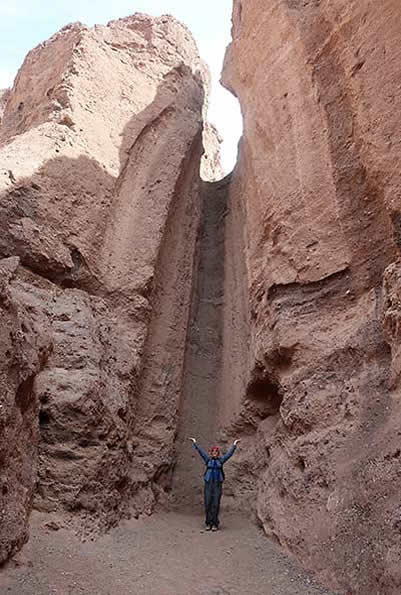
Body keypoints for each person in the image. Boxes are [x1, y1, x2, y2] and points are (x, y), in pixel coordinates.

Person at [189, 437, 240, 531]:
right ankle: (208, 523)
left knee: (216, 504)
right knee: (208, 503)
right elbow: (201, 452)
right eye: (213, 452)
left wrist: (234, 445)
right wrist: (195, 443)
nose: (214, 454)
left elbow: (229, 455)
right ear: (211, 453)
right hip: (208, 484)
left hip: (217, 485)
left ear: (218, 454)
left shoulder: (221, 461)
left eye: (216, 453)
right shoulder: (208, 460)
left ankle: (215, 523)